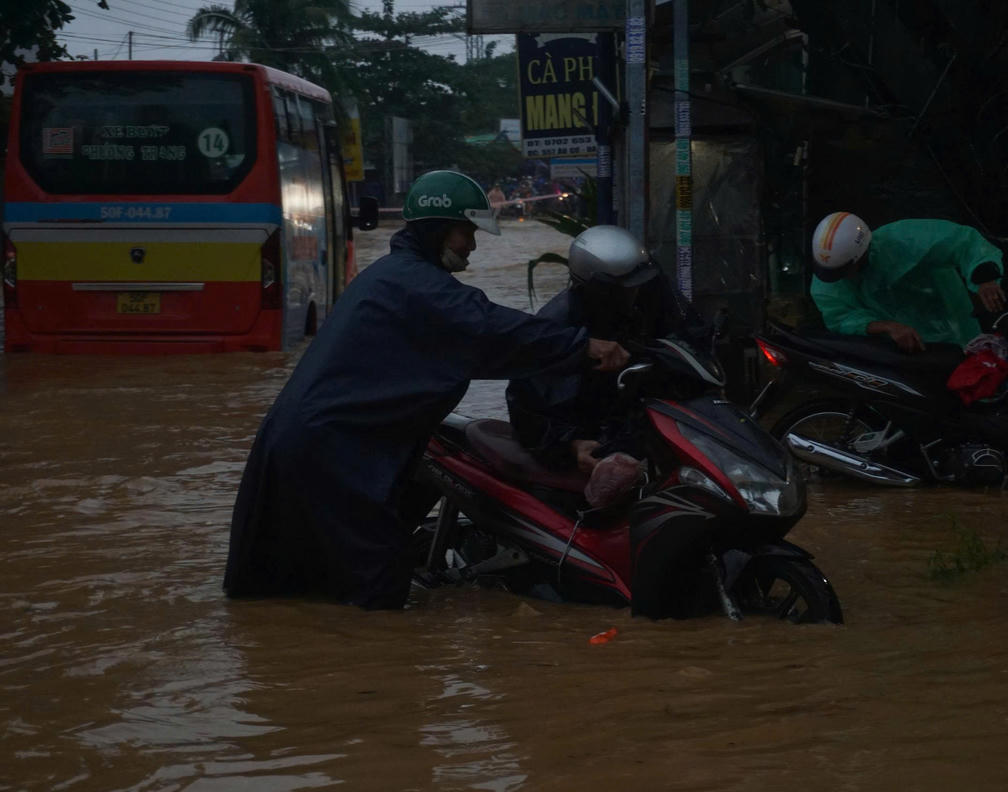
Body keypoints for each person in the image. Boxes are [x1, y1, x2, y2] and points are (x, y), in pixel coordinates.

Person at [223, 170, 629, 609]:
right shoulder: (419, 288)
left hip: (322, 442)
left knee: (309, 585)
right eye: (465, 233)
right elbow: (493, 331)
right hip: (331, 450)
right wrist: (582, 346)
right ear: (438, 229)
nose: (471, 246)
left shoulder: (396, 276)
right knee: (375, 582)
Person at [506, 225, 707, 476]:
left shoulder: (653, 296)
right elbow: (526, 404)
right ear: (600, 289)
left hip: (648, 422)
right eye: (625, 288)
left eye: (638, 285)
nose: (634, 293)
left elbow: (690, 335)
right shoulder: (558, 329)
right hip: (591, 440)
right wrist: (571, 445)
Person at [808, 211, 1006, 353]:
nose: (840, 277)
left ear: (862, 253)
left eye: (844, 269)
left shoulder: (903, 240)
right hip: (899, 350)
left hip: (955, 322)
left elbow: (962, 242)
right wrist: (887, 327)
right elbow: (840, 318)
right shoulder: (826, 281)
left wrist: (985, 278)